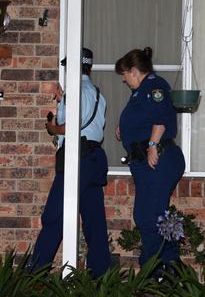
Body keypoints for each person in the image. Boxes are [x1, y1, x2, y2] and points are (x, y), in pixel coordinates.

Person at [30, 47, 111, 278]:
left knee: (54, 215)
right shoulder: (96, 92)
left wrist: (52, 127)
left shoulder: (76, 92)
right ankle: (101, 274)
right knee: (94, 219)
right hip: (93, 158)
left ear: (73, 67)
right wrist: (61, 99)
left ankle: (35, 273)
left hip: (79, 158)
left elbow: (70, 127)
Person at [115, 47, 185, 272]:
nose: (124, 81)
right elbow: (143, 117)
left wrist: (153, 145)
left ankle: (156, 268)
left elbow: (161, 118)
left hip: (160, 158)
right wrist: (123, 129)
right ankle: (171, 264)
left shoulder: (154, 86)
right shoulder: (141, 90)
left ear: (134, 71)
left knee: (147, 216)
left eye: (124, 76)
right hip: (147, 162)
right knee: (156, 215)